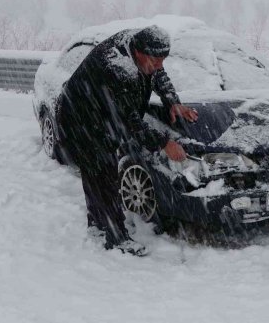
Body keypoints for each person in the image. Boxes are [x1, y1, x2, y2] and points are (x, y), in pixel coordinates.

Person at [57, 25, 198, 256]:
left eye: (163, 59)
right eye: (155, 60)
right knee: (103, 173)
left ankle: (97, 223)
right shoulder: (117, 67)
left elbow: (157, 72)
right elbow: (129, 120)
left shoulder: (138, 44)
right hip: (80, 118)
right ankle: (116, 237)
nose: (160, 65)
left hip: (98, 112)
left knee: (96, 173)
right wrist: (165, 143)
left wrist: (172, 100)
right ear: (140, 53)